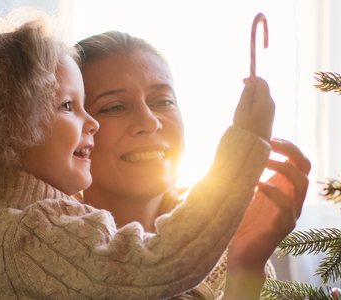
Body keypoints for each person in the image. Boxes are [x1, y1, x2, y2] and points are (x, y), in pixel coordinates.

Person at [0, 13, 280, 299]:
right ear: (3, 128)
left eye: (163, 100)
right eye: (69, 107)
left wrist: (246, 264)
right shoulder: (33, 232)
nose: (91, 124)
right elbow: (159, 261)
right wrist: (244, 145)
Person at [75, 31, 311, 299]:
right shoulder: (46, 248)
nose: (150, 121)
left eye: (162, 101)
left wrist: (246, 264)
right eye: (115, 107)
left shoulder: (224, 257)